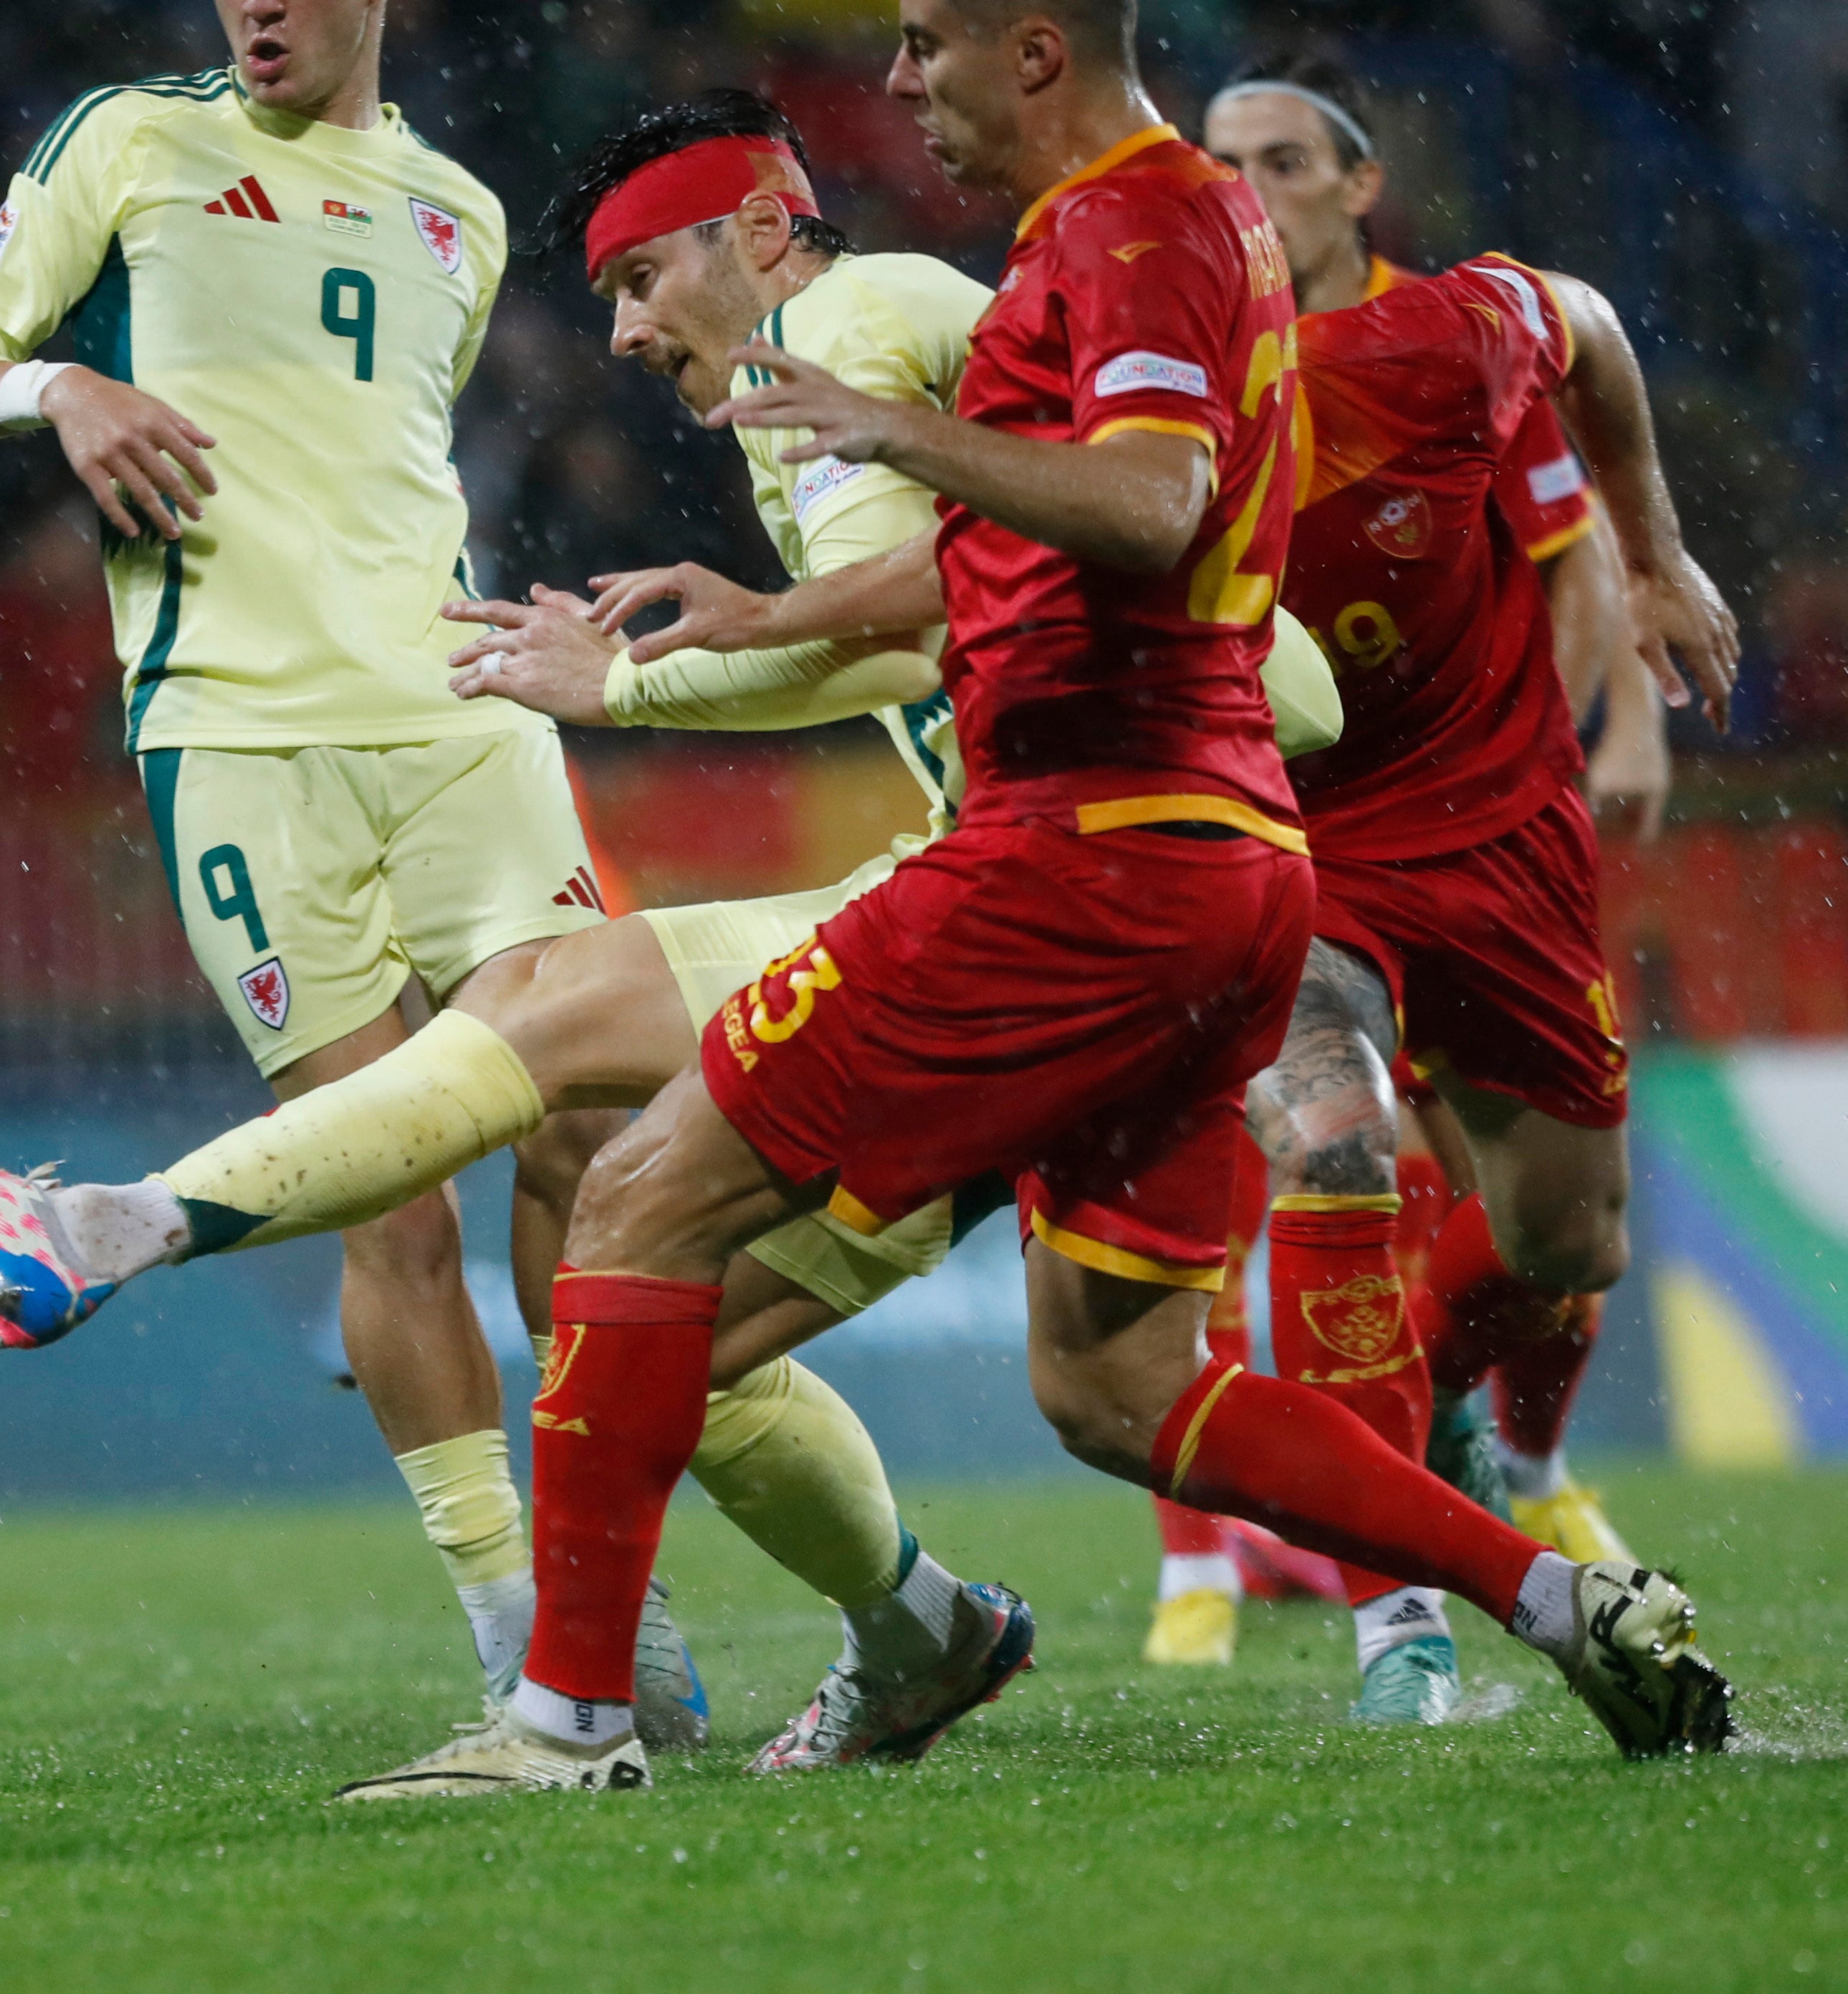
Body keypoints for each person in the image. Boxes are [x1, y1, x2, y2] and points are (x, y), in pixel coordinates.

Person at [342, 0, 1730, 1796]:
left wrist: (889, 435)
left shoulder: (1128, 223)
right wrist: (753, 624)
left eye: (927, 41)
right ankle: (1557, 1601)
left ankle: (565, 1723)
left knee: (633, 1199)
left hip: (1082, 842)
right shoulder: (1170, 235)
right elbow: (1035, 551)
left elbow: (1151, 503)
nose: (899, 79)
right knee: (1119, 1385)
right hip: (1229, 862)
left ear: (1036, 47)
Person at [0, 0, 710, 1737]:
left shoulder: (459, 214)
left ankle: (597, 1579)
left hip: (460, 713)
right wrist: (60, 387)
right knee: (384, 1199)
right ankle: (512, 1628)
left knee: (588, 1127)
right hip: (241, 744)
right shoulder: (126, 139)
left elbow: (382, 474)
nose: (254, 9)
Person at [1125, 57, 1692, 1676]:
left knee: (1566, 1246)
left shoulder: (1432, 342)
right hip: (1289, 848)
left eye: (1283, 159)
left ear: (1355, 183)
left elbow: (1583, 339)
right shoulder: (1157, 399)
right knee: (1329, 1148)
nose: (1253, 189)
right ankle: (1398, 1616)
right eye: (1219, 168)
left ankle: (1417, 1424)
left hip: (1500, 837)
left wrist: (1653, 592)